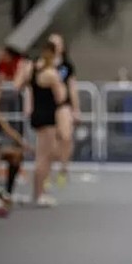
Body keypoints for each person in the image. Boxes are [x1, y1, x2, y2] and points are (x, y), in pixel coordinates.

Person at [15, 41, 66, 207]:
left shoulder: (32, 69)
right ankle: (39, 194)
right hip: (47, 116)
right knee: (44, 156)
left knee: (42, 155)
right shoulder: (51, 73)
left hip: (36, 113)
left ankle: (38, 192)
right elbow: (60, 97)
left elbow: (18, 85)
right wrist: (58, 82)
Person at [48, 33, 79, 187]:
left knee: (66, 136)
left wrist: (76, 108)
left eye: (58, 43)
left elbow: (72, 86)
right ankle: (47, 170)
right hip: (47, 104)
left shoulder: (67, 65)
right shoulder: (43, 64)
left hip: (63, 104)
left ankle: (63, 169)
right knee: (50, 140)